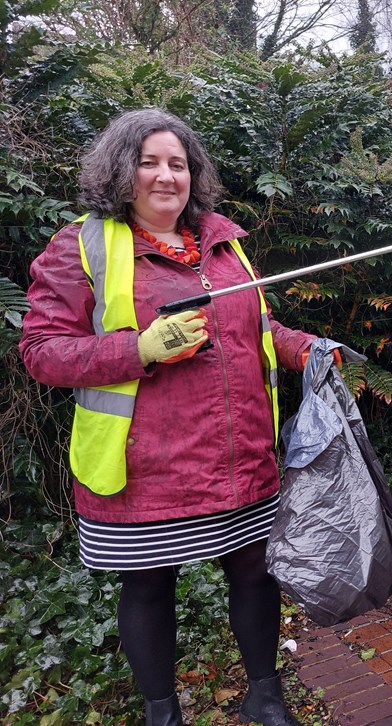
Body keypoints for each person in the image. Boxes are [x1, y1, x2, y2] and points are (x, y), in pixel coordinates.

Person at [19, 108, 317, 726]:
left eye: (177, 164)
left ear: (193, 175)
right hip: (145, 467)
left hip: (239, 455)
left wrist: (307, 349)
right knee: (150, 587)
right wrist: (140, 348)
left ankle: (265, 697)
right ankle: (163, 713)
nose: (164, 177)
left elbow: (254, 327)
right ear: (122, 170)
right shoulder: (84, 246)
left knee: (256, 576)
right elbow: (42, 352)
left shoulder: (221, 243)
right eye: (148, 162)